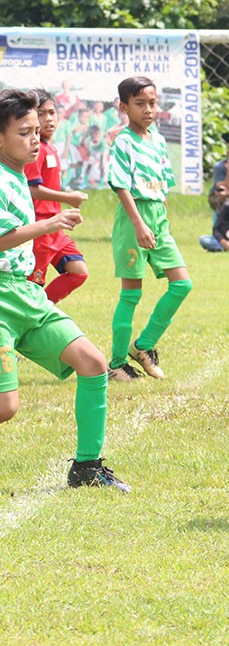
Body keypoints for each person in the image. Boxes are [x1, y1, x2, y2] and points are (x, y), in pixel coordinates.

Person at [0, 88, 129, 492]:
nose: (35, 139)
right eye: (24, 132)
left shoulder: (19, 175)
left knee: (92, 363)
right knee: (6, 408)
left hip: (28, 295)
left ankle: (87, 468)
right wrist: (50, 224)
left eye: (37, 130)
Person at [106, 77, 192, 382]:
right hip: (134, 219)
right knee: (131, 294)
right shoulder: (123, 141)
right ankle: (116, 364)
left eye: (152, 103)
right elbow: (120, 185)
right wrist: (139, 223)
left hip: (157, 217)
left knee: (182, 284)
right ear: (124, 107)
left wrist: (161, 216)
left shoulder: (157, 139)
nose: (148, 110)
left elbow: (163, 181)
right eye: (140, 104)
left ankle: (142, 346)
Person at [24, 89, 89, 303]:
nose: (48, 119)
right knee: (32, 285)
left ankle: (41, 312)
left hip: (56, 228)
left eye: (51, 112)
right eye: (41, 114)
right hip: (41, 228)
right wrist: (67, 198)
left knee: (78, 271)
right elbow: (32, 188)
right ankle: (32, 319)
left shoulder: (49, 147)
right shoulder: (36, 149)